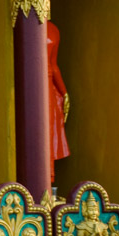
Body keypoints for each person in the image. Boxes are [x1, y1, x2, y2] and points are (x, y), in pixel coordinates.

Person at [47, 20, 70, 183]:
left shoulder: (53, 29)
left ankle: (49, 181)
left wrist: (64, 92)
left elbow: (53, 66)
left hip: (47, 85)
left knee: (48, 131)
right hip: (35, 83)